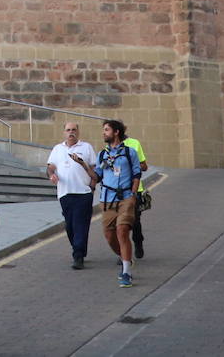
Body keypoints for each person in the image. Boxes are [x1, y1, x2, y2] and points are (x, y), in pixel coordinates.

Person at [92, 118, 141, 288]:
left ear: (116, 132)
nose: (103, 133)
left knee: (122, 231)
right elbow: (97, 176)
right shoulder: (102, 154)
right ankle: (125, 257)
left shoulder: (129, 152)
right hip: (107, 199)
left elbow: (137, 174)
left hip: (126, 196)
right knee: (109, 235)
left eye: (106, 130)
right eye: (104, 130)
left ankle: (126, 271)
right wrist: (83, 166)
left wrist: (133, 194)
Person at [46, 121, 98, 269]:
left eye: (74, 129)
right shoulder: (57, 149)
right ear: (64, 132)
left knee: (80, 224)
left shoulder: (86, 147)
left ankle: (78, 255)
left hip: (83, 193)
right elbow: (50, 167)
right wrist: (51, 175)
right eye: (68, 130)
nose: (71, 132)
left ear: (78, 132)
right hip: (65, 193)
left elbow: (95, 171)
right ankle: (79, 248)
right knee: (70, 226)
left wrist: (92, 188)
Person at [122, 127, 150, 260]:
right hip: (118, 191)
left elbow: (144, 166)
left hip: (135, 190)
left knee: (135, 221)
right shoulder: (110, 146)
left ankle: (138, 242)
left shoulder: (134, 143)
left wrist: (132, 164)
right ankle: (123, 252)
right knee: (121, 223)